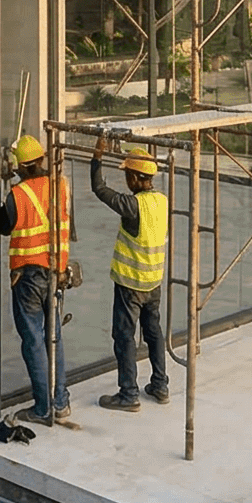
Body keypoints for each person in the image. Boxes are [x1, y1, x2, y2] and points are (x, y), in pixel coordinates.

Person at [0, 134, 75, 427]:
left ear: (21, 167)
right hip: (55, 270)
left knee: (32, 340)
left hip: (27, 274)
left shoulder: (17, 195)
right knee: (53, 336)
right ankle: (61, 401)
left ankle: (43, 408)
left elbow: (4, 227)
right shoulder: (60, 185)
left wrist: (4, 188)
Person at [90, 140, 170, 411]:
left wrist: (97, 158)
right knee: (153, 333)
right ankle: (160, 385)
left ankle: (128, 394)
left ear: (136, 177)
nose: (126, 181)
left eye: (127, 176)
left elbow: (100, 190)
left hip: (130, 284)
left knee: (124, 336)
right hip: (154, 281)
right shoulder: (162, 201)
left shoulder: (133, 205)